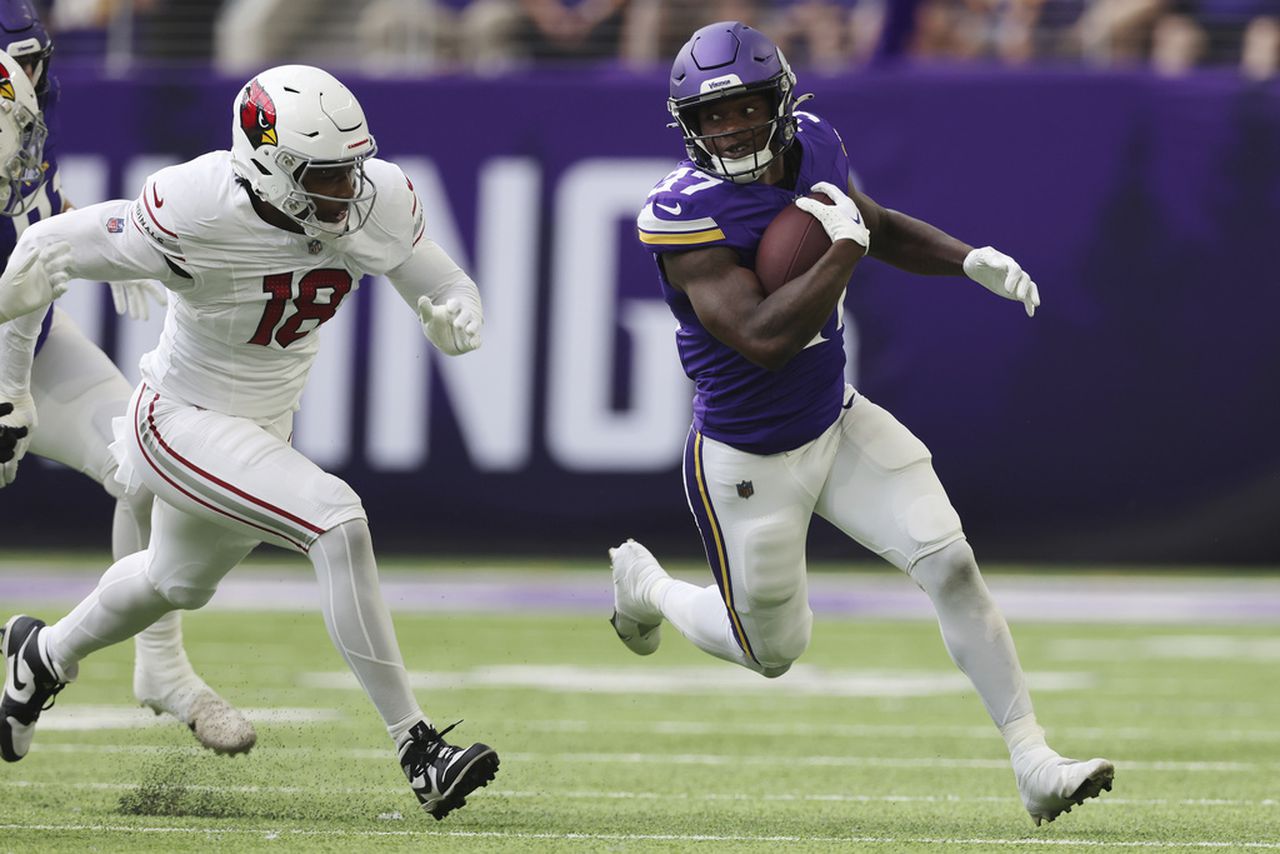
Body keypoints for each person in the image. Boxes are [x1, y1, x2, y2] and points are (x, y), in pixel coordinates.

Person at [612, 20, 1114, 826]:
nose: (729, 128)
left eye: (742, 108)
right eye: (709, 118)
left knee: (949, 563)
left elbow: (868, 222)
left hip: (836, 420)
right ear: (686, 128)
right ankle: (649, 586)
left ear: (779, 102)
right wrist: (842, 251)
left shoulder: (813, 143)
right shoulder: (681, 212)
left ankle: (1032, 759)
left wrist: (964, 258)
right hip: (747, 460)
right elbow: (765, 338)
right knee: (773, 651)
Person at [0, 63, 499, 819]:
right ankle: (419, 747)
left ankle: (39, 658)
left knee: (174, 580)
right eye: (323, 175)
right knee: (336, 518)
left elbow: (448, 283)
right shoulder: (196, 206)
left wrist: (458, 318)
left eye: (350, 170)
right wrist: (24, 297)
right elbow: (45, 247)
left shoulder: (376, 197)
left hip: (261, 425)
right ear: (265, 164)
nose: (346, 191)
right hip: (178, 419)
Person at [0, 0, 255, 755]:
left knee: (147, 468)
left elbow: (29, 221)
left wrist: (91, 236)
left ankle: (161, 666)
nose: (32, 82)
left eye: (33, 61)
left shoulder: (21, 116)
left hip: (32, 341)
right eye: (22, 63)